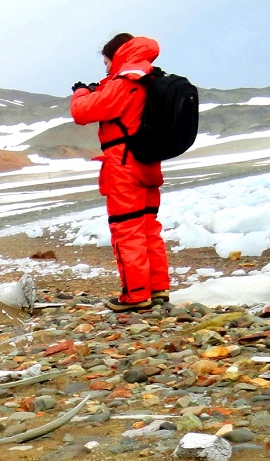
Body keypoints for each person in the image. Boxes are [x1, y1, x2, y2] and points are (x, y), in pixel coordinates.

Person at [71, 33, 170, 312]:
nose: (105, 68)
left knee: (127, 229)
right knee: (149, 227)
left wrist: (81, 91)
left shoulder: (125, 80)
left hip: (123, 165)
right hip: (147, 163)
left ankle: (136, 295)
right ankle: (158, 288)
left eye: (106, 62)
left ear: (118, 56)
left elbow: (82, 112)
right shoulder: (149, 76)